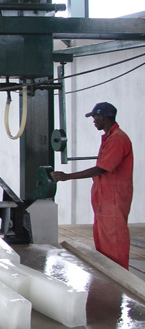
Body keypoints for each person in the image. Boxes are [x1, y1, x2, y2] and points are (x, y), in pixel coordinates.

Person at [51, 102, 133, 269]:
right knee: (104, 243)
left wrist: (67, 176)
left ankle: (119, 279)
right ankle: (109, 278)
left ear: (103, 117)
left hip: (113, 199)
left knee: (114, 242)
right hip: (105, 199)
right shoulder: (109, 138)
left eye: (95, 117)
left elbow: (102, 168)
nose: (94, 121)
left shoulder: (117, 139)